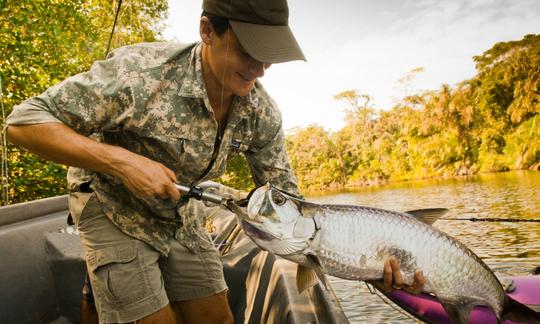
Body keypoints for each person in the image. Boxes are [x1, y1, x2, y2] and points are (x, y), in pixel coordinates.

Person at [6, 0, 424, 323]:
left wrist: (369, 259)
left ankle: (100, 291)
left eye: (269, 55)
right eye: (249, 51)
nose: (260, 68)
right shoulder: (140, 72)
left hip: (181, 212)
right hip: (109, 203)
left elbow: (292, 205)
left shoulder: (261, 112)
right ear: (207, 30)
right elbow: (24, 123)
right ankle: (105, 285)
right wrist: (123, 163)